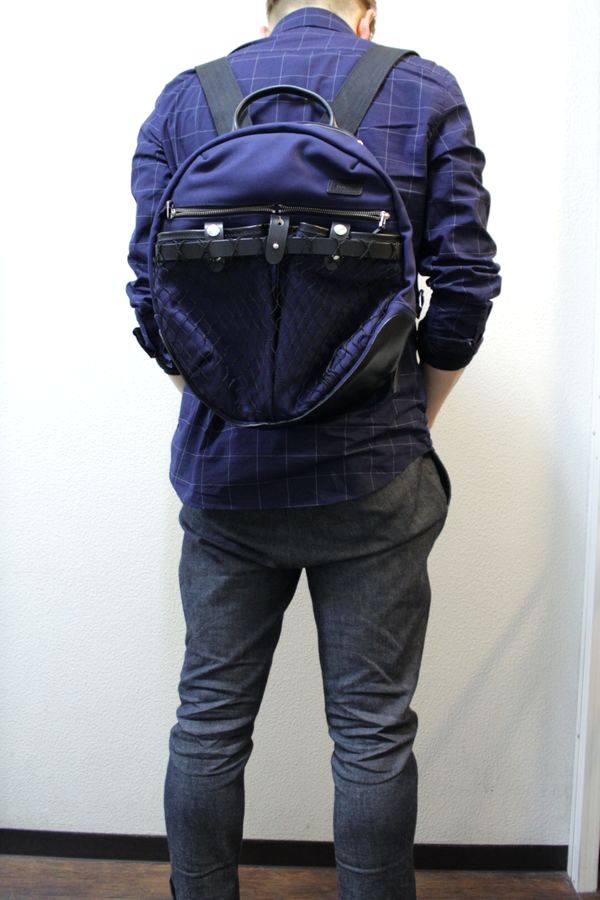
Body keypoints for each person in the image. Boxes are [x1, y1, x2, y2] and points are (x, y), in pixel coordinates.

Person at [126, 1, 501, 897]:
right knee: (373, 734)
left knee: (208, 724)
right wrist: (415, 414)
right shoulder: (424, 90)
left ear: (265, 22)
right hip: (375, 475)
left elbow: (149, 297)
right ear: (366, 20)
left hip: (227, 480)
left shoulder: (186, 99)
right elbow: (465, 284)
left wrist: (225, 402)